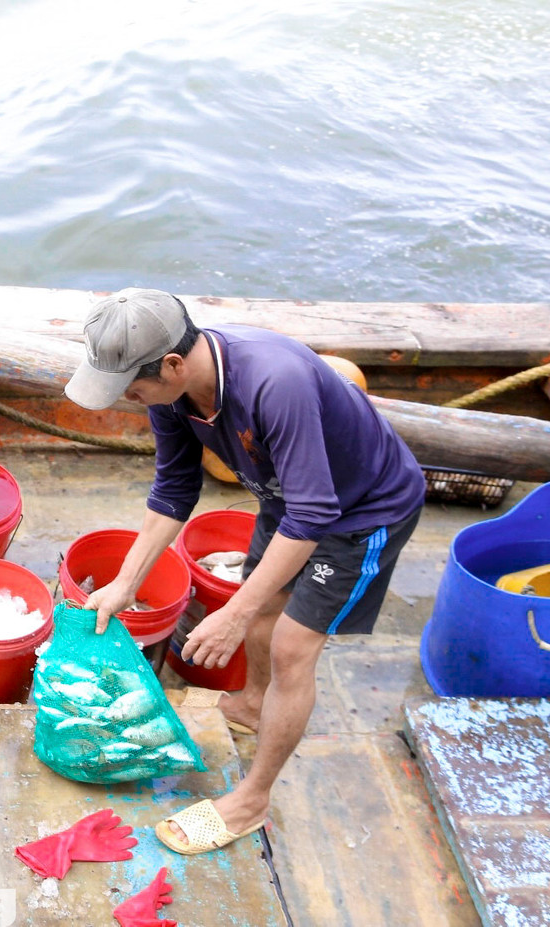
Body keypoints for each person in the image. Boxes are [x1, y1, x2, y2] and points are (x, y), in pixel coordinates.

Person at [64, 288, 425, 856]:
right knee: (260, 620)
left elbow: (317, 514)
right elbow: (174, 490)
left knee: (290, 646)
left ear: (173, 364)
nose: (129, 401)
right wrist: (123, 585)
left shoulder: (274, 383)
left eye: (132, 389)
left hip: (361, 513)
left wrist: (233, 610)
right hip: (288, 501)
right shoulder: (170, 394)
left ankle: (253, 799)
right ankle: (257, 702)